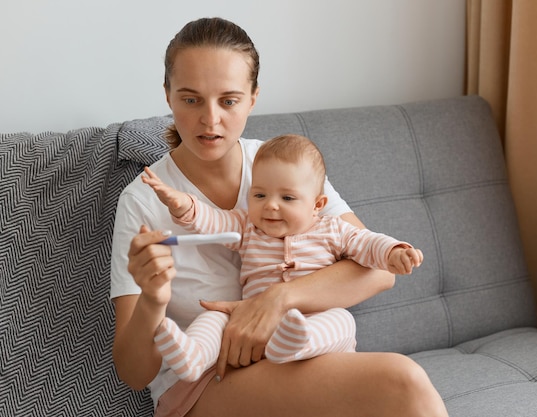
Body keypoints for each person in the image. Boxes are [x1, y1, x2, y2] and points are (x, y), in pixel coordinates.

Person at [110, 17, 449, 417]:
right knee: (401, 382)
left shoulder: (282, 164)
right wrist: (152, 299)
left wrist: (277, 299)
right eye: (191, 99)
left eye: (229, 100)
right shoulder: (142, 201)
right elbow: (133, 373)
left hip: (290, 355)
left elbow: (380, 271)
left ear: (253, 98)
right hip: (203, 383)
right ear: (167, 95)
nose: (210, 119)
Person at [141, 133, 425, 383]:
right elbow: (213, 220)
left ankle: (299, 342)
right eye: (260, 195)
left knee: (342, 319)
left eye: (287, 198)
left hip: (313, 320)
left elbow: (368, 243)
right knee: (215, 316)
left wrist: (393, 251)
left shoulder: (333, 229)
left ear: (318, 205)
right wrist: (183, 205)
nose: (271, 206)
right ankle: (195, 356)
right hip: (255, 324)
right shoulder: (248, 227)